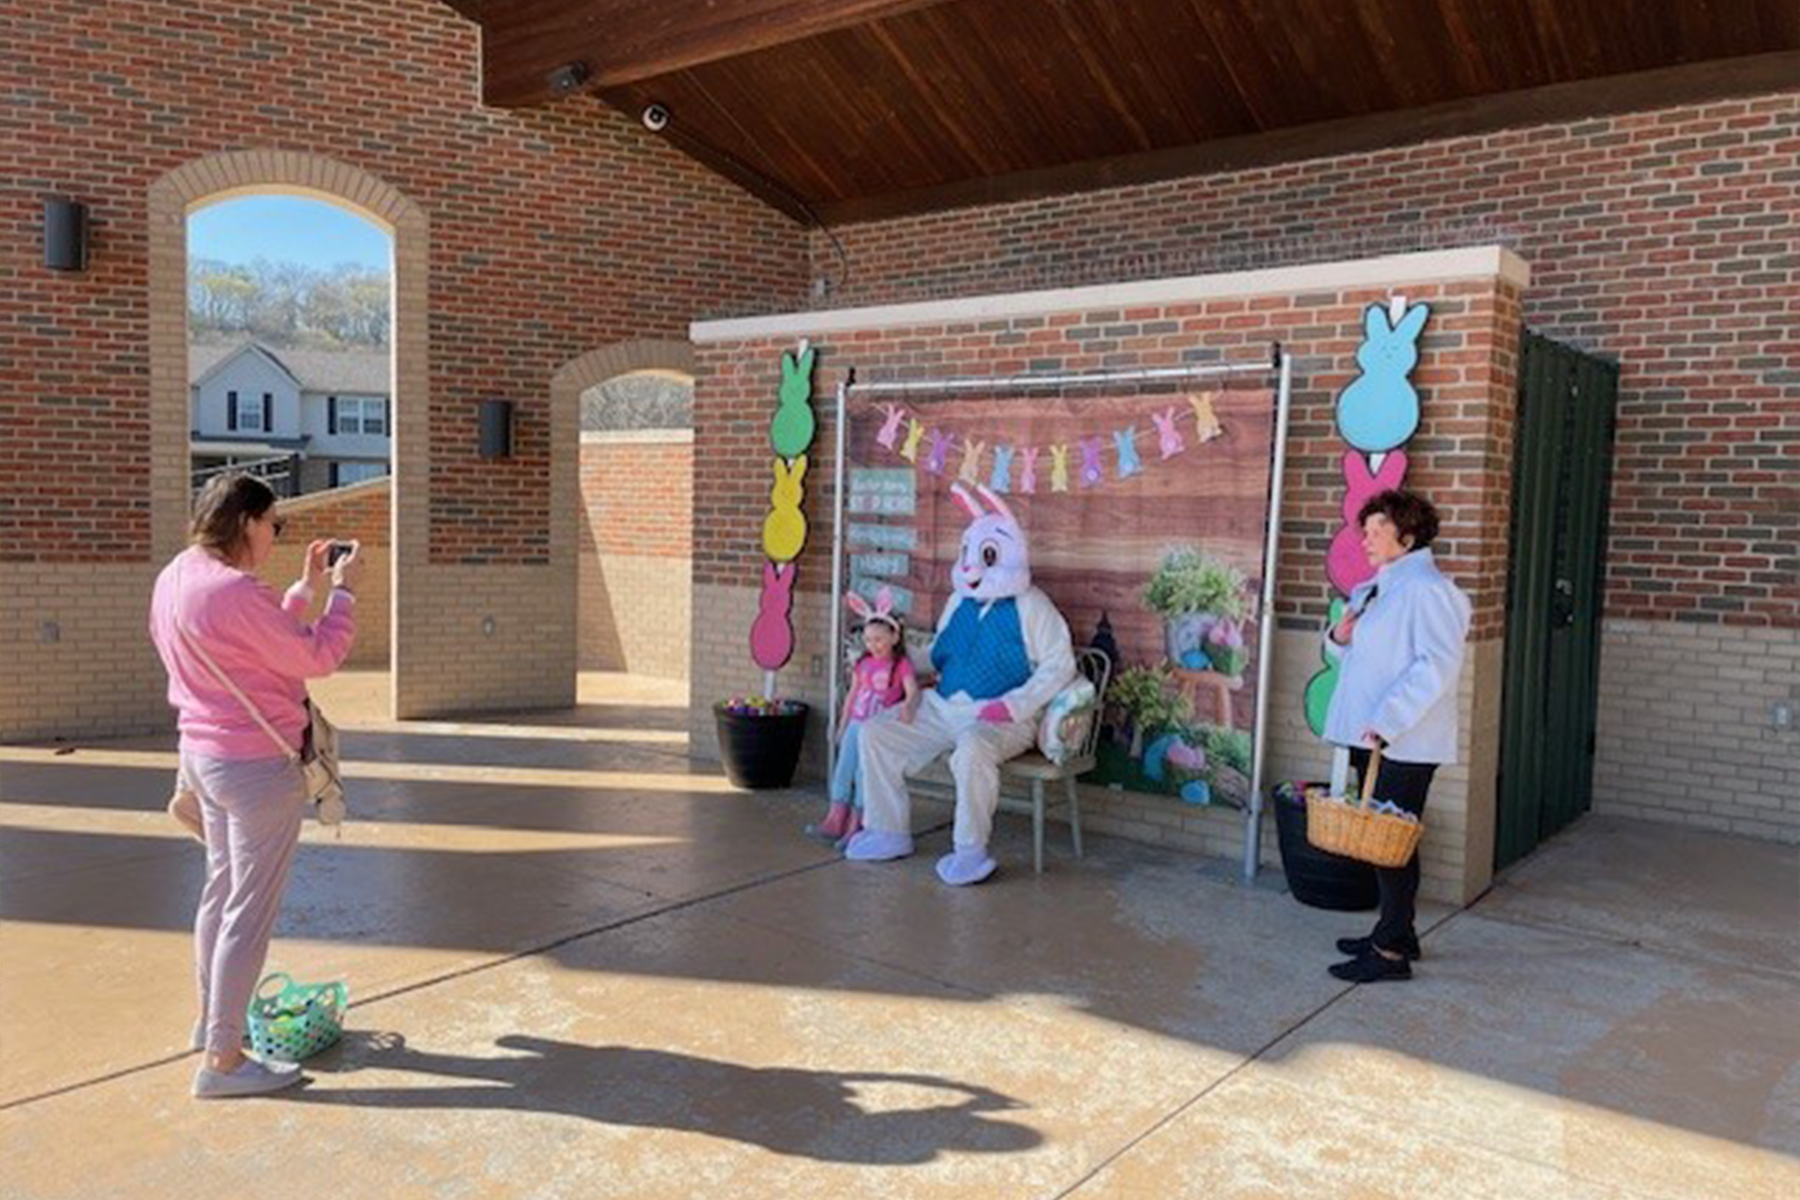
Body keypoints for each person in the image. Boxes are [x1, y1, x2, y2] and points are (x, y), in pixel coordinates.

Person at [148, 473, 361, 1097]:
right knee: (248, 910)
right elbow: (314, 657)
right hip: (254, 767)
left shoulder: (178, 577)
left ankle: (212, 1022)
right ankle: (224, 1061)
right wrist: (343, 598)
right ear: (247, 522)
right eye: (275, 524)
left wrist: (307, 587)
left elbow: (251, 644)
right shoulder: (235, 591)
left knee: (221, 892)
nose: (276, 535)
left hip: (205, 758)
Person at [846, 483, 1076, 886]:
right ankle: (887, 830)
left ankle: (970, 851)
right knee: (874, 733)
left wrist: (1016, 704)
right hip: (945, 703)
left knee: (971, 750)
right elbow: (938, 654)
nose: (972, 565)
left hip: (999, 714)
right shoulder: (958, 602)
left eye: (984, 555)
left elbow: (1060, 665)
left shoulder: (1032, 605)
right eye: (969, 554)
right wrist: (887, 656)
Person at [1322, 488, 1470, 983]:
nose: (1364, 539)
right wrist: (1338, 639)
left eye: (1375, 530)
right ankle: (1398, 931)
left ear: (1406, 536)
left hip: (1402, 740)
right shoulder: (1380, 587)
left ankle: (1389, 953)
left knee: (1391, 842)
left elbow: (1436, 667)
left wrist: (1389, 721)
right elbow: (1369, 656)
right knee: (1392, 840)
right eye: (1363, 530)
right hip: (1377, 737)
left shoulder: (1430, 592)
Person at [809, 589, 920, 848]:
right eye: (869, 640)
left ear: (894, 636)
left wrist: (909, 707)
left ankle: (856, 824)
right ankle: (835, 818)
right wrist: (841, 724)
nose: (873, 645)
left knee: (864, 774)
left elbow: (912, 690)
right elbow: (852, 696)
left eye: (879, 639)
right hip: (856, 725)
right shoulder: (864, 664)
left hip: (877, 731)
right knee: (844, 768)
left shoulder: (901, 665)